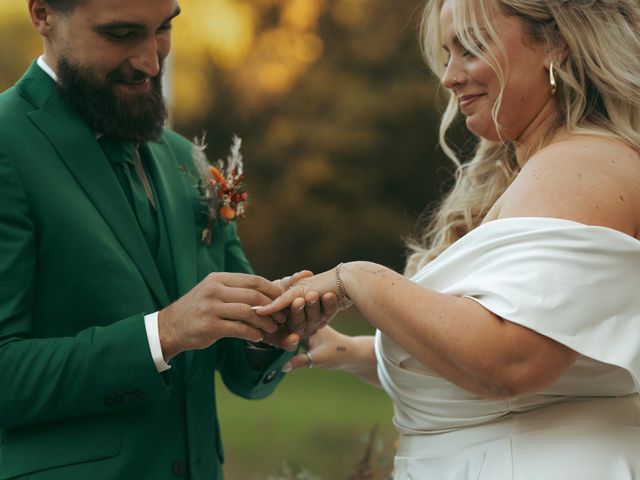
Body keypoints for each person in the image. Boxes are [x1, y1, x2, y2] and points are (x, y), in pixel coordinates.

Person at [257, 0, 640, 478]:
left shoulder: (578, 165)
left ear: (557, 44)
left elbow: (511, 362)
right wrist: (348, 352)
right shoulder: (538, 170)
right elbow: (487, 371)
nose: (450, 77)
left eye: (472, 49)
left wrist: (358, 280)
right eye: (446, 55)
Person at [0, 0, 337, 478]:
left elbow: (238, 369)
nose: (151, 61)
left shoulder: (184, 159)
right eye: (121, 34)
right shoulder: (6, 145)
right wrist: (164, 333)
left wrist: (272, 328)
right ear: (42, 16)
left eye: (163, 28)